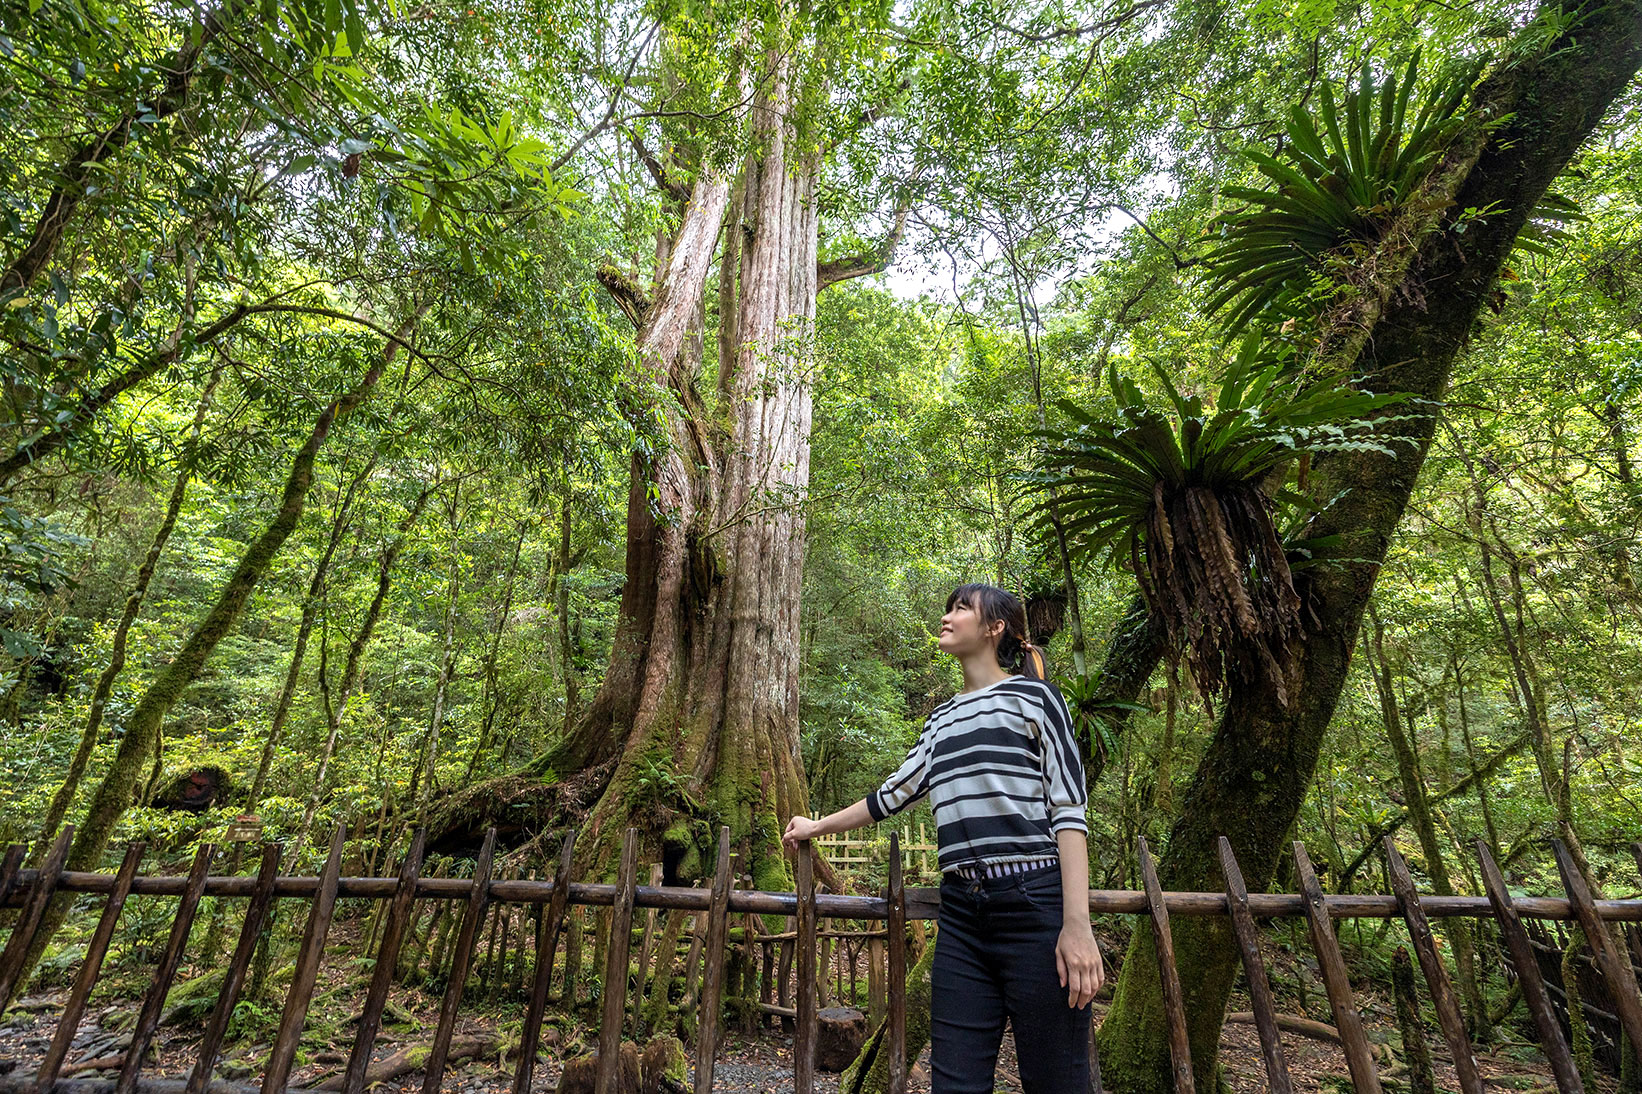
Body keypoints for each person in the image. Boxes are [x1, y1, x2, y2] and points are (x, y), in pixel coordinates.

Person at [781, 582, 1102, 1094]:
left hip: (1036, 910)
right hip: (962, 922)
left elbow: (1068, 811)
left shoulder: (1036, 699)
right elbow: (890, 796)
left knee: (1058, 1082)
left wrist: (1077, 926)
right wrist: (816, 827)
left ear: (995, 628)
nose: (948, 617)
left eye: (961, 609)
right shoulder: (941, 720)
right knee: (953, 1084)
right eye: (948, 608)